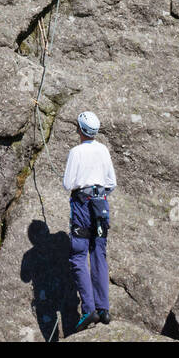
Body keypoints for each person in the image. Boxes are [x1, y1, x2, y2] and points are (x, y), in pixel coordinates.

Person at [62, 110, 116, 333]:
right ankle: (103, 309)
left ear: (80, 130)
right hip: (101, 204)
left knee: (78, 255)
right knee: (98, 254)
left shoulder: (76, 152)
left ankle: (89, 309)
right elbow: (111, 182)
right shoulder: (103, 150)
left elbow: (67, 184)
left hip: (82, 205)